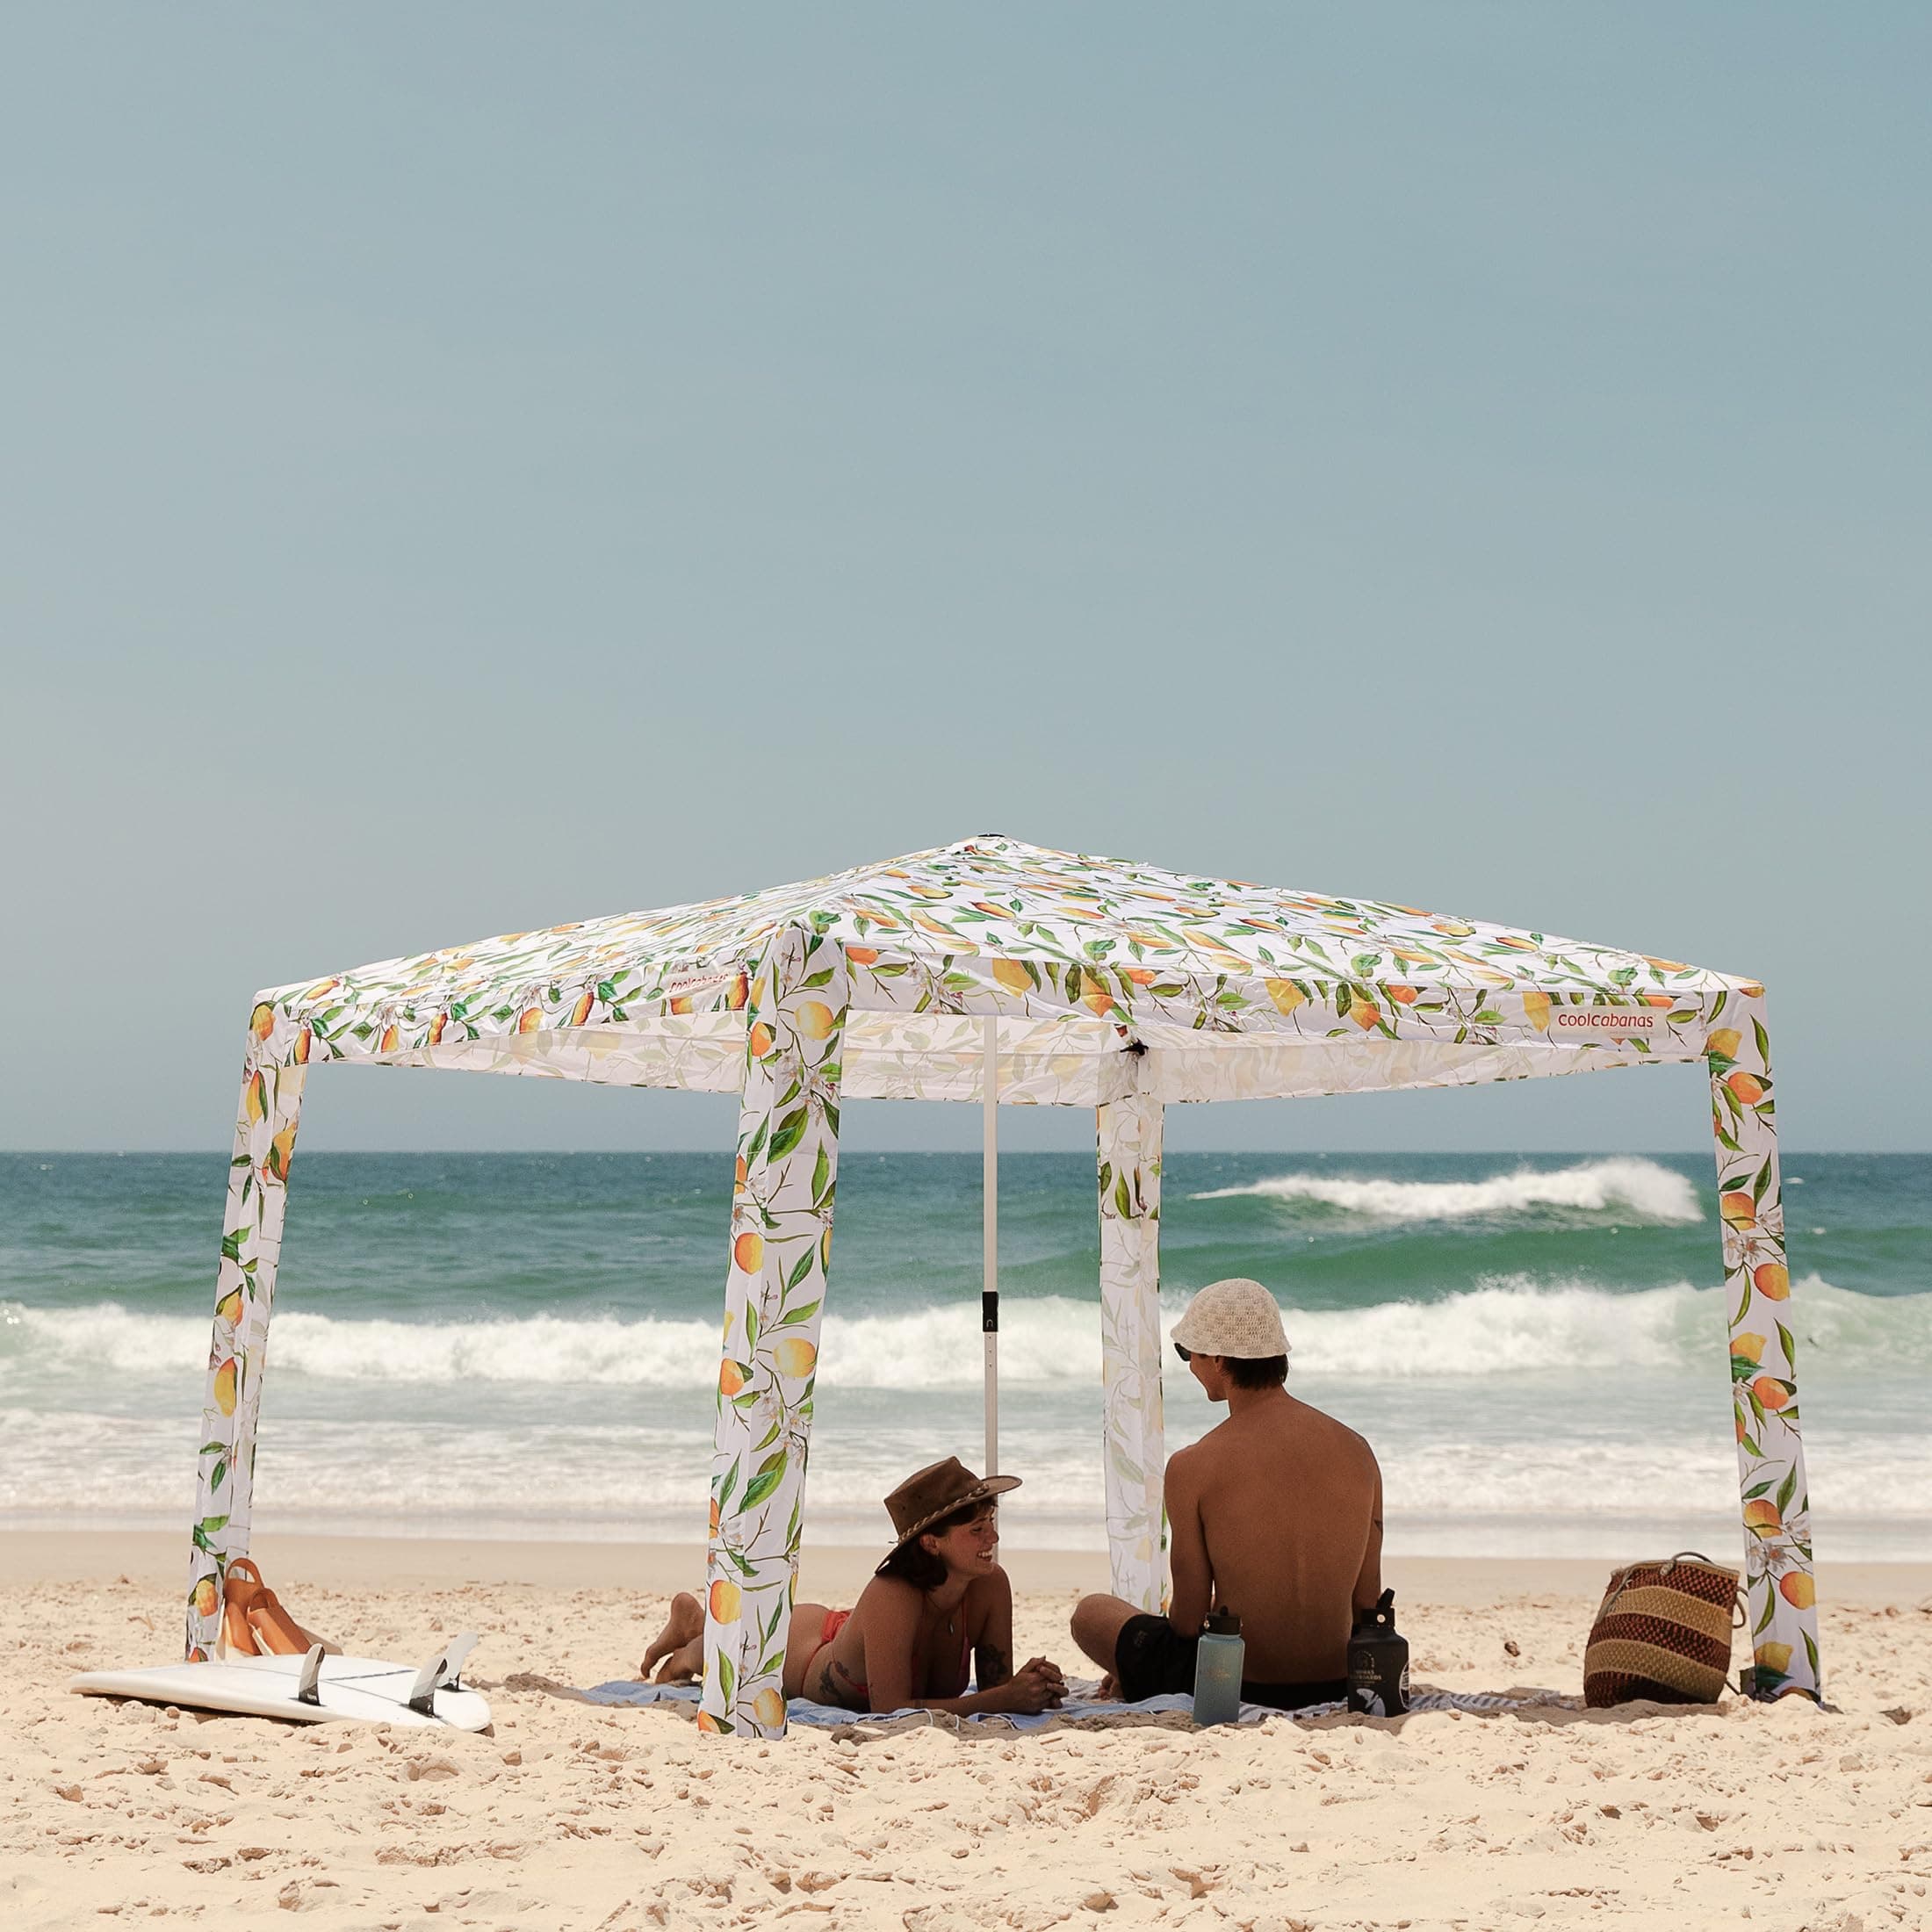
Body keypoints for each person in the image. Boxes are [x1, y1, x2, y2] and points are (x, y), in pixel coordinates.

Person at [1071, 1277, 1383, 1713]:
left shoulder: (1193, 1465)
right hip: (1339, 1681)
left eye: (1188, 1353)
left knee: (1091, 1613)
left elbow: (1186, 1618)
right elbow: (1368, 1603)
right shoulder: (1358, 1451)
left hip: (1237, 1683)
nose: (1189, 1366)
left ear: (1218, 1359)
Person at [639, 1457, 1068, 1718]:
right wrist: (1003, 1699)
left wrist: (1032, 1686)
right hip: (806, 1653)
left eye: (990, 1524)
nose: (992, 1540)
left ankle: (694, 1622)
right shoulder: (893, 1593)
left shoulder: (990, 1585)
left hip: (860, 1632)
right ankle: (692, 1628)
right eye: (977, 1529)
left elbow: (998, 1690)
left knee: (733, 1642)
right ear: (931, 1542)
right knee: (722, 1654)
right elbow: (892, 1710)